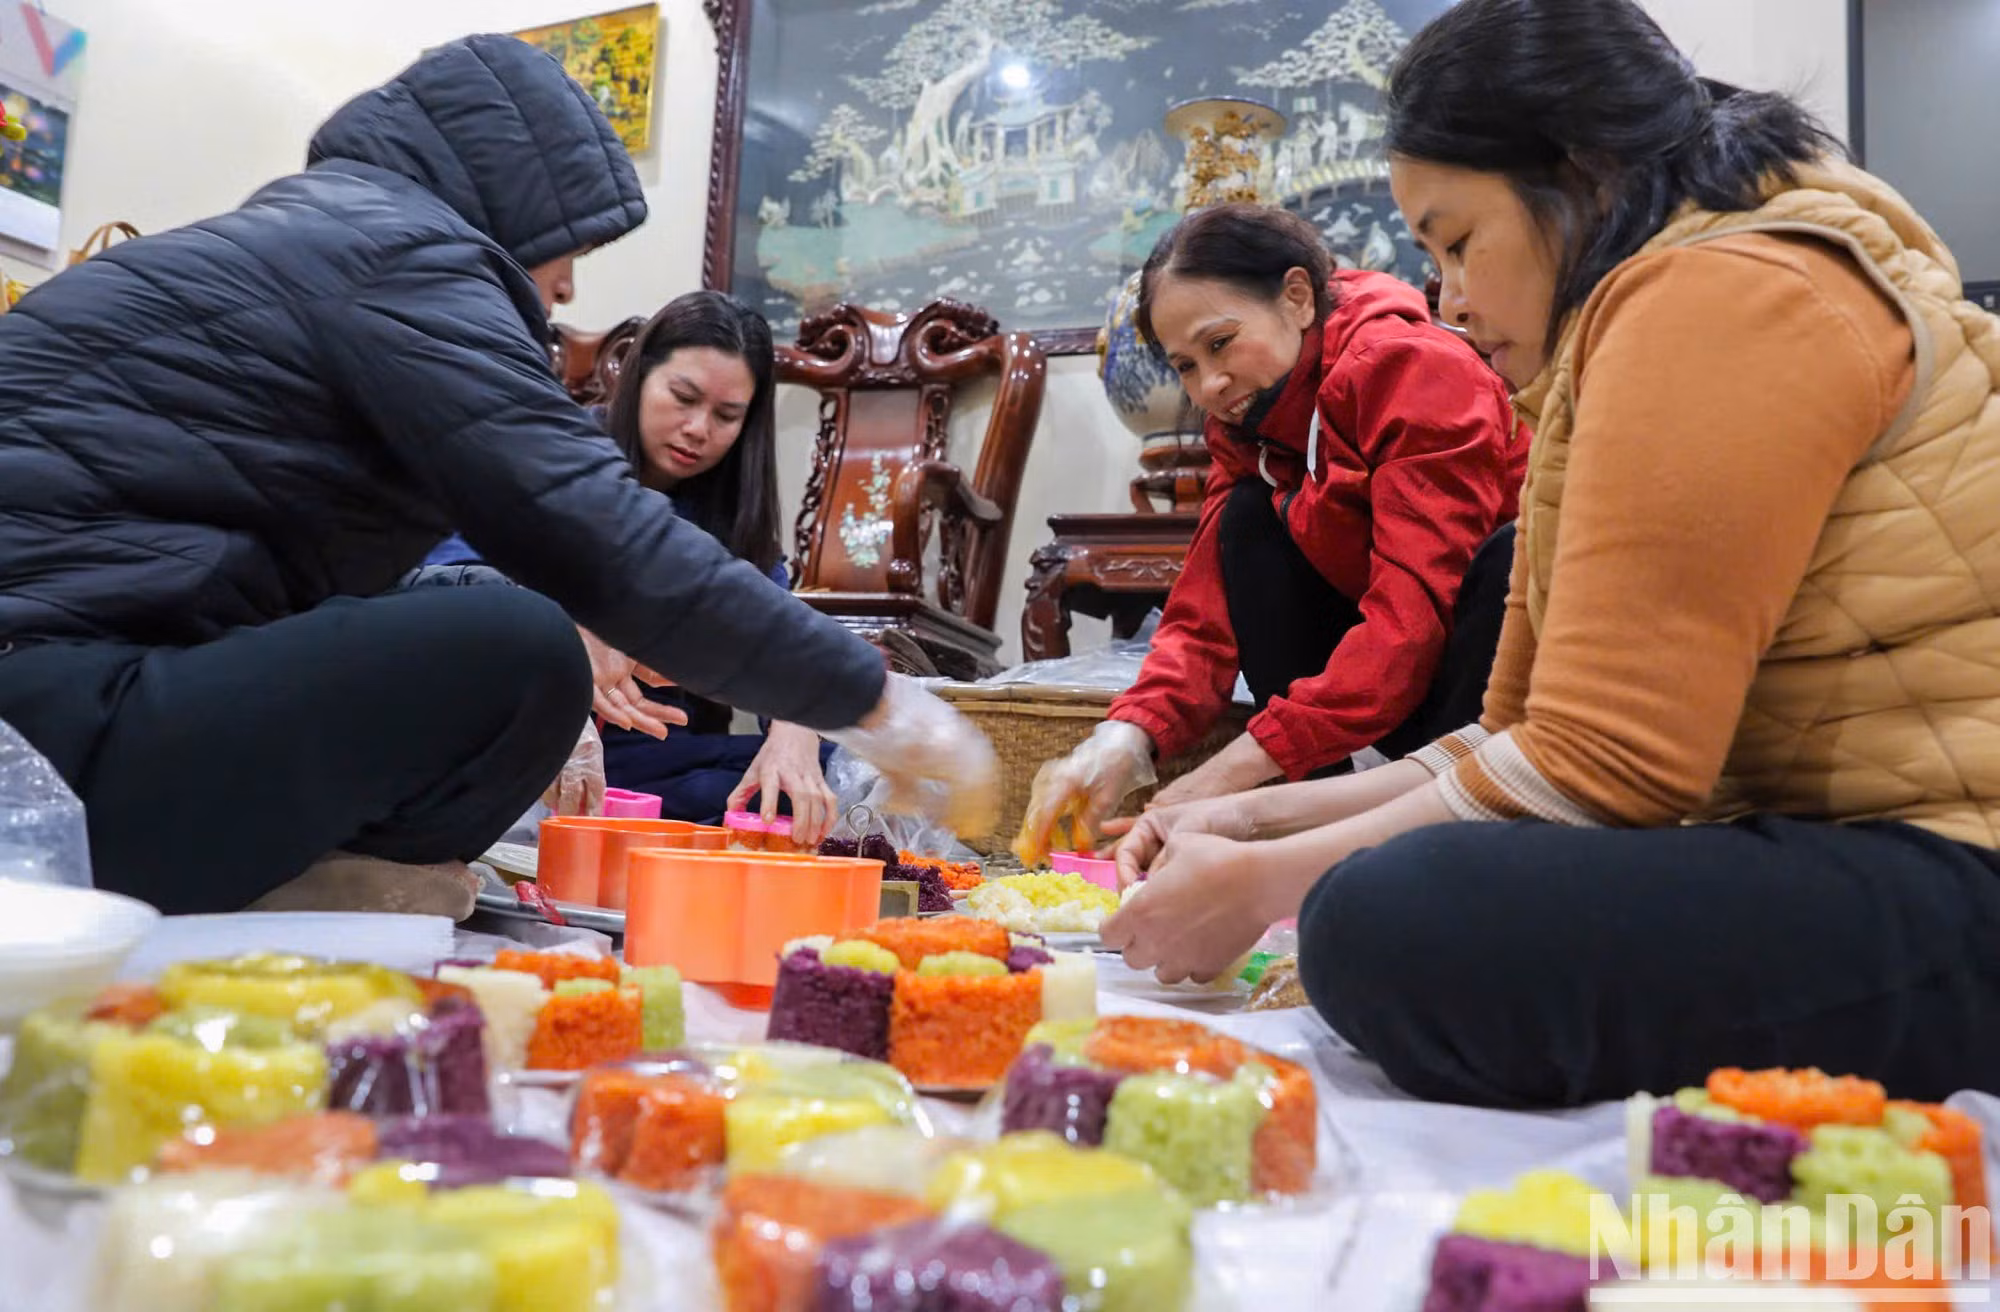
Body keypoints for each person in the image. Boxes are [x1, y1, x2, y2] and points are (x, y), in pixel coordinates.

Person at [1102, 0, 2000, 1108]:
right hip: (1832, 830)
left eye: (1460, 241)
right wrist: (1250, 815)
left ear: (1579, 173)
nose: (1453, 298)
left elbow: (1600, 762)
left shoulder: (1720, 292)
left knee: (1391, 918)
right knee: (1384, 891)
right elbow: (1521, 733)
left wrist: (1268, 879)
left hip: (1955, 863)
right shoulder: (1616, 335)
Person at [0, 35, 994, 919]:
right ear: (522, 200)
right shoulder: (400, 252)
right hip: (43, 740)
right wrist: (877, 701)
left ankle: (274, 871)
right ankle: (265, 880)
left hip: (52, 710)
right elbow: (595, 536)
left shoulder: (319, 236)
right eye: (573, 253)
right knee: (520, 651)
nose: (566, 290)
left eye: (728, 415)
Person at [1015, 204, 1524, 860]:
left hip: (1482, 690)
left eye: (1220, 343)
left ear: (1296, 297)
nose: (1209, 386)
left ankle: (1429, 846)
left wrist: (1230, 775)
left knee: (1507, 561)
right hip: (1388, 682)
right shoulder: (1249, 423)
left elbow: (1410, 627)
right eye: (1185, 366)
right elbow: (1202, 619)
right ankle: (1315, 825)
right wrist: (1124, 741)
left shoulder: (1412, 368)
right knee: (1248, 527)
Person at [421, 291, 839, 840]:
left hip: (650, 749)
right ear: (639, 375)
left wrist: (794, 732)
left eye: (726, 415)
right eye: (683, 396)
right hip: (518, 726)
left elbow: (782, 641)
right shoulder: (549, 452)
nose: (697, 428)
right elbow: (442, 583)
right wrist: (561, 634)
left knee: (814, 769)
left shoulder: (734, 515)